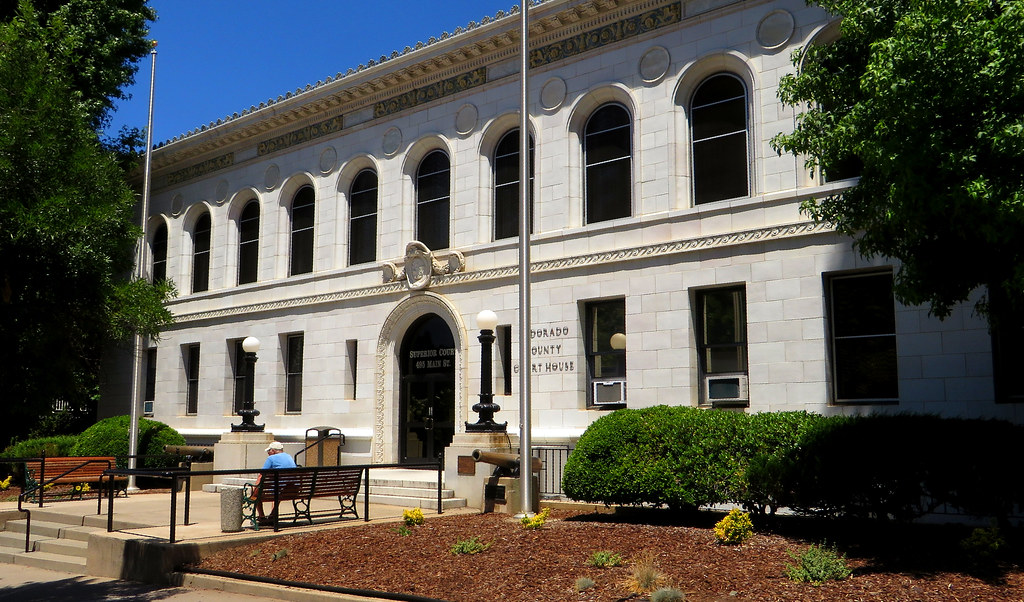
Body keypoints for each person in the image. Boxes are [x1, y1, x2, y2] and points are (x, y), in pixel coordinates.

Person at [253, 441, 296, 525]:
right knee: (279, 492)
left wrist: (255, 487)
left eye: (269, 451)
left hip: (277, 490)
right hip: (291, 490)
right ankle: (272, 515)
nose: (268, 453)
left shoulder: (271, 459)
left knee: (256, 494)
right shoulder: (289, 456)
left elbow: (262, 474)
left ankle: (261, 516)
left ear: (273, 450)